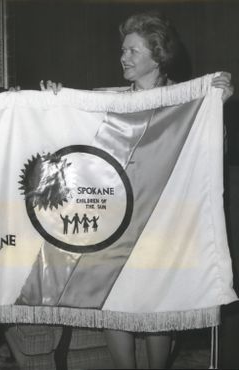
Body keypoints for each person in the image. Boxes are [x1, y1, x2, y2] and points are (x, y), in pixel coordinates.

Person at [42, 11, 233, 369]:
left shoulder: (185, 101)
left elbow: (211, 158)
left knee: (157, 299)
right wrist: (55, 101)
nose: (123, 58)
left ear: (157, 56)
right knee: (115, 300)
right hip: (116, 219)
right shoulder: (108, 99)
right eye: (123, 50)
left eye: (132, 51)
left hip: (163, 220)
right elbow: (72, 134)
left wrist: (214, 109)